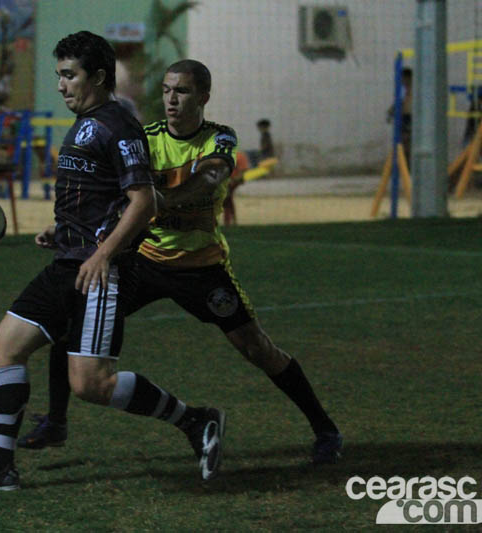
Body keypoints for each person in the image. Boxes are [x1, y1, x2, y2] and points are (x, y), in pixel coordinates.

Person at [18, 59, 343, 465]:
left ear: (203, 97)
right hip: (143, 263)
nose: (171, 99)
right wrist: (64, 228)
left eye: (183, 91)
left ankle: (325, 429)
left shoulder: (218, 138)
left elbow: (210, 178)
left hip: (200, 268)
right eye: (167, 90)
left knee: (257, 348)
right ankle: (56, 422)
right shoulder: (145, 137)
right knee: (72, 322)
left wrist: (160, 200)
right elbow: (113, 193)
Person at [0, 32, 225, 491]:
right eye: (59, 75)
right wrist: (62, 229)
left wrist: (102, 253)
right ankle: (0, 464)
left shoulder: (119, 126)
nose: (61, 84)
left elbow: (142, 202)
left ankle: (195, 421)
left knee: (92, 385)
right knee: (4, 347)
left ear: (97, 77)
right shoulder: (86, 122)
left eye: (69, 75)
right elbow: (102, 196)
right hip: (69, 260)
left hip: (102, 271)